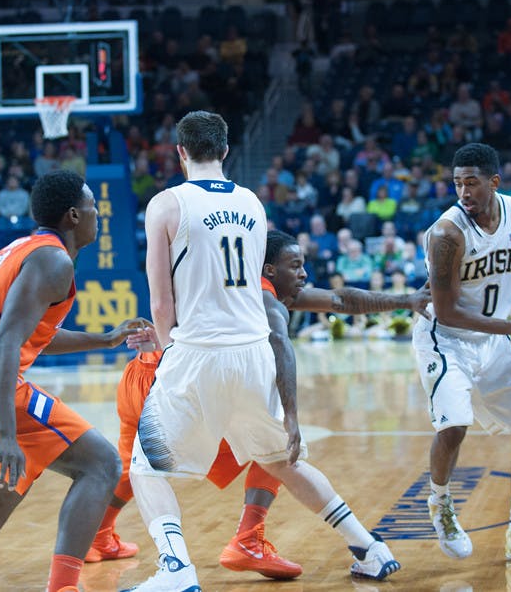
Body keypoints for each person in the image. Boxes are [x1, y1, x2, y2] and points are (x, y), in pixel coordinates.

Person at [125, 111, 402, 591]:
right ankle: (370, 549)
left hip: (200, 352)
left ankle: (176, 571)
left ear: (181, 152)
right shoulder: (253, 204)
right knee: (280, 461)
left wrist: (167, 349)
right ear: (226, 151)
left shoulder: (166, 204)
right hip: (254, 352)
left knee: (144, 468)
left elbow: (161, 298)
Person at [92, 229, 430, 576]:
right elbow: (281, 342)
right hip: (181, 384)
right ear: (268, 269)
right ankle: (244, 542)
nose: (304, 274)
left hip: (143, 376)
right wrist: (293, 416)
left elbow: (342, 300)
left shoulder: (234, 284)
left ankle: (98, 536)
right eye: (295, 266)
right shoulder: (261, 296)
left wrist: (406, 300)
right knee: (276, 452)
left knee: (136, 466)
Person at [0, 170, 151, 592]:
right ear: (75, 215)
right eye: (94, 207)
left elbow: (28, 334)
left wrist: (107, 338)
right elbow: (5, 343)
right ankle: (63, 587)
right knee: (102, 464)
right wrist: (6, 433)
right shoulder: (53, 260)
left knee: (10, 481)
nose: (99, 215)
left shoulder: (24, 249)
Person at [413, 143, 511, 567]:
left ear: (494, 182)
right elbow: (446, 310)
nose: (463, 191)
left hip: (493, 339)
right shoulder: (447, 234)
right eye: (457, 183)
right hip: (445, 340)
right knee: (455, 426)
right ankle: (440, 503)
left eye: (472, 183)